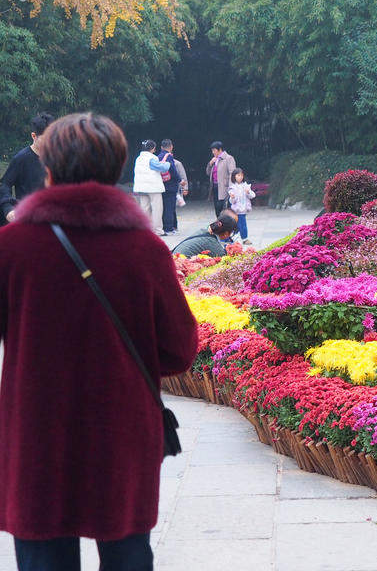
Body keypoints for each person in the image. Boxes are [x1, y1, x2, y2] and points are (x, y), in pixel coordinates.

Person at [0, 112, 197, 571]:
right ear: (117, 170)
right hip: (121, 433)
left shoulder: (12, 247)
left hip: (36, 433)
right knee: (127, 554)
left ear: (48, 170)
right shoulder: (145, 251)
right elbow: (179, 349)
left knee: (43, 553)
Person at [0, 112, 55, 225]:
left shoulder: (58, 158)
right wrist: (8, 209)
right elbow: (5, 185)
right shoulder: (21, 159)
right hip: (28, 219)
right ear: (34, 136)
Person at [132, 140, 169, 235]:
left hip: (141, 187)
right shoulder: (152, 158)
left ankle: (146, 229)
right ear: (152, 148)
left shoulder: (138, 158)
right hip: (153, 188)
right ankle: (158, 230)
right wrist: (167, 163)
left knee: (145, 208)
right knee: (157, 209)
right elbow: (162, 168)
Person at [170, 210, 238, 258]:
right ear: (226, 233)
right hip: (179, 265)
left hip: (173, 259)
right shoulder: (213, 243)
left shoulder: (204, 231)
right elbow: (225, 261)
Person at [206, 141, 236, 217]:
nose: (213, 152)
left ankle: (227, 226)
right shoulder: (215, 160)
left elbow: (232, 173)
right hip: (215, 187)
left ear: (220, 150)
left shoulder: (228, 158)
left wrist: (231, 188)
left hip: (225, 188)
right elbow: (208, 173)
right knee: (217, 208)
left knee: (224, 208)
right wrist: (210, 163)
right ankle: (220, 226)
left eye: (214, 150)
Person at [157, 139, 181, 235]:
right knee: (169, 208)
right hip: (170, 186)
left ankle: (162, 227)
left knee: (162, 207)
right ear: (171, 146)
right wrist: (180, 180)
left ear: (161, 147)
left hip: (161, 185)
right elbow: (173, 171)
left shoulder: (157, 157)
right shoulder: (169, 156)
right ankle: (169, 228)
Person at [228, 168, 256, 245]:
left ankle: (244, 238)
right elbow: (231, 202)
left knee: (243, 225)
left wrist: (248, 192)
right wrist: (232, 197)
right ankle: (233, 237)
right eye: (238, 175)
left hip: (243, 209)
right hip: (236, 210)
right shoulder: (232, 187)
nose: (240, 177)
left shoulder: (246, 186)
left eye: (241, 175)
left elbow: (253, 195)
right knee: (236, 225)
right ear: (234, 176)